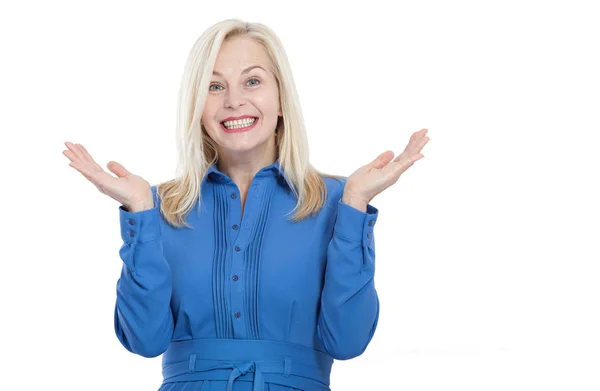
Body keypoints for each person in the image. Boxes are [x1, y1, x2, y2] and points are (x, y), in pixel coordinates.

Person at [63, 18, 429, 391]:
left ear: (282, 98)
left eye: (252, 81)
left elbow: (348, 342)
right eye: (214, 86)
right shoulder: (160, 208)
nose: (234, 100)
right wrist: (140, 212)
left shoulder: (337, 202)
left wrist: (355, 204)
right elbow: (144, 341)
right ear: (197, 108)